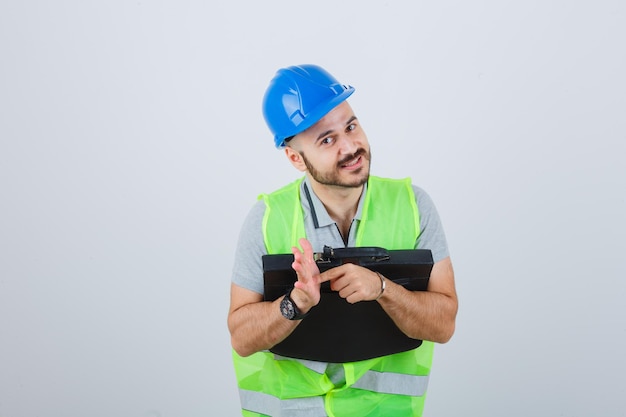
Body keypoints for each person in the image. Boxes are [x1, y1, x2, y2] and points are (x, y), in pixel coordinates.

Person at [228, 64, 458, 417]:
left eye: (350, 126)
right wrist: (295, 303)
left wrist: (384, 288)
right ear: (295, 158)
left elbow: (443, 325)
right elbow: (242, 338)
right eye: (327, 139)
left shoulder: (414, 206)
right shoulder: (266, 218)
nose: (351, 146)